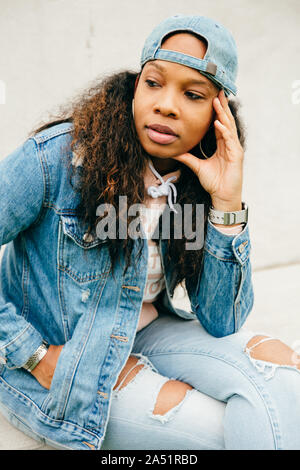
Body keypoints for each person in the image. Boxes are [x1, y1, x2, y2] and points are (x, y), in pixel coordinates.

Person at [0, 14, 300, 451]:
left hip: (147, 332)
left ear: (219, 115)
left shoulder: (193, 184)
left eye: (192, 94)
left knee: (283, 378)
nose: (166, 105)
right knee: (217, 427)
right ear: (134, 87)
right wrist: (31, 352)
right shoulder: (58, 160)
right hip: (64, 359)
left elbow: (222, 320)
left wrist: (227, 203)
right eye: (154, 83)